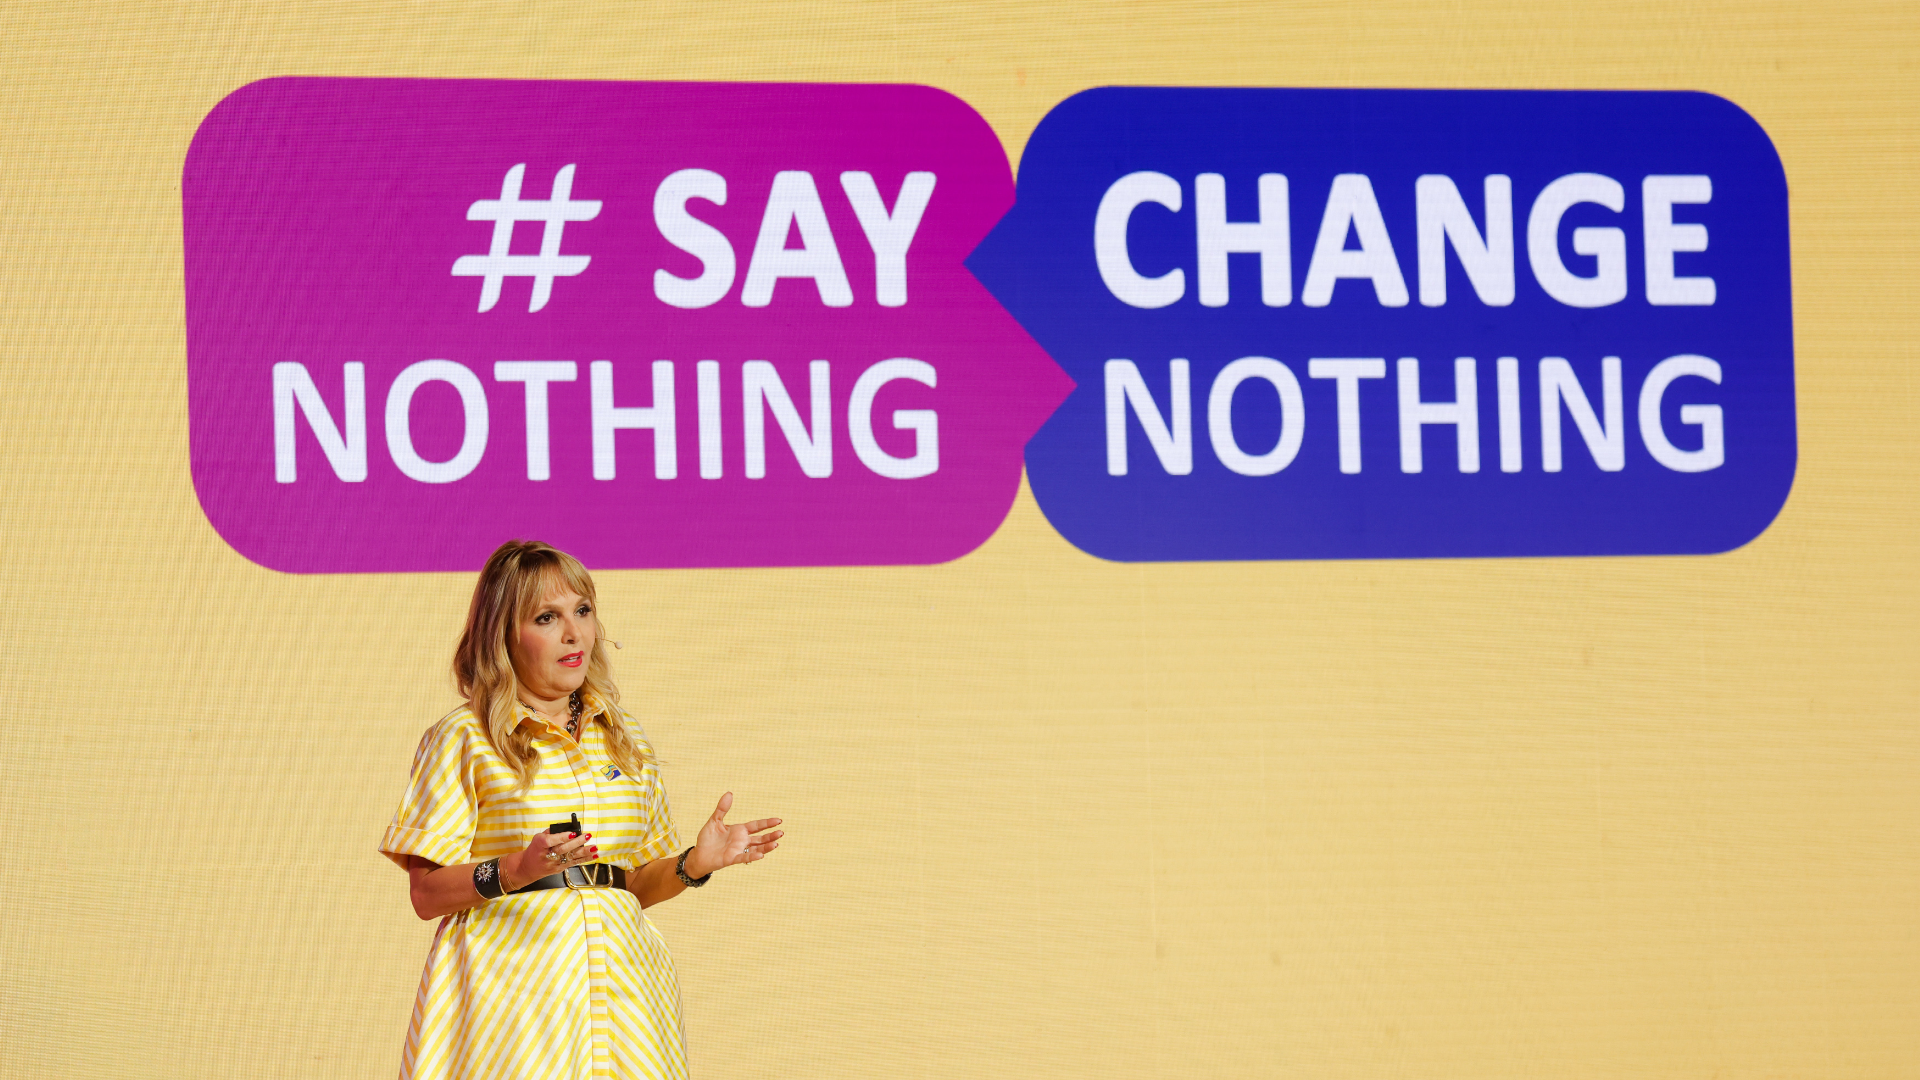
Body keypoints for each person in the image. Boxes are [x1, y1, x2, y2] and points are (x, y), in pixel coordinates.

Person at [379, 539, 783, 1079]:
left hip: (627, 996)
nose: (574, 634)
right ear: (503, 636)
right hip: (514, 1003)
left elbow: (632, 884)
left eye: (583, 611)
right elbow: (426, 895)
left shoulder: (625, 736)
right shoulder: (464, 737)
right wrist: (518, 869)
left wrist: (694, 864)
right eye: (547, 617)